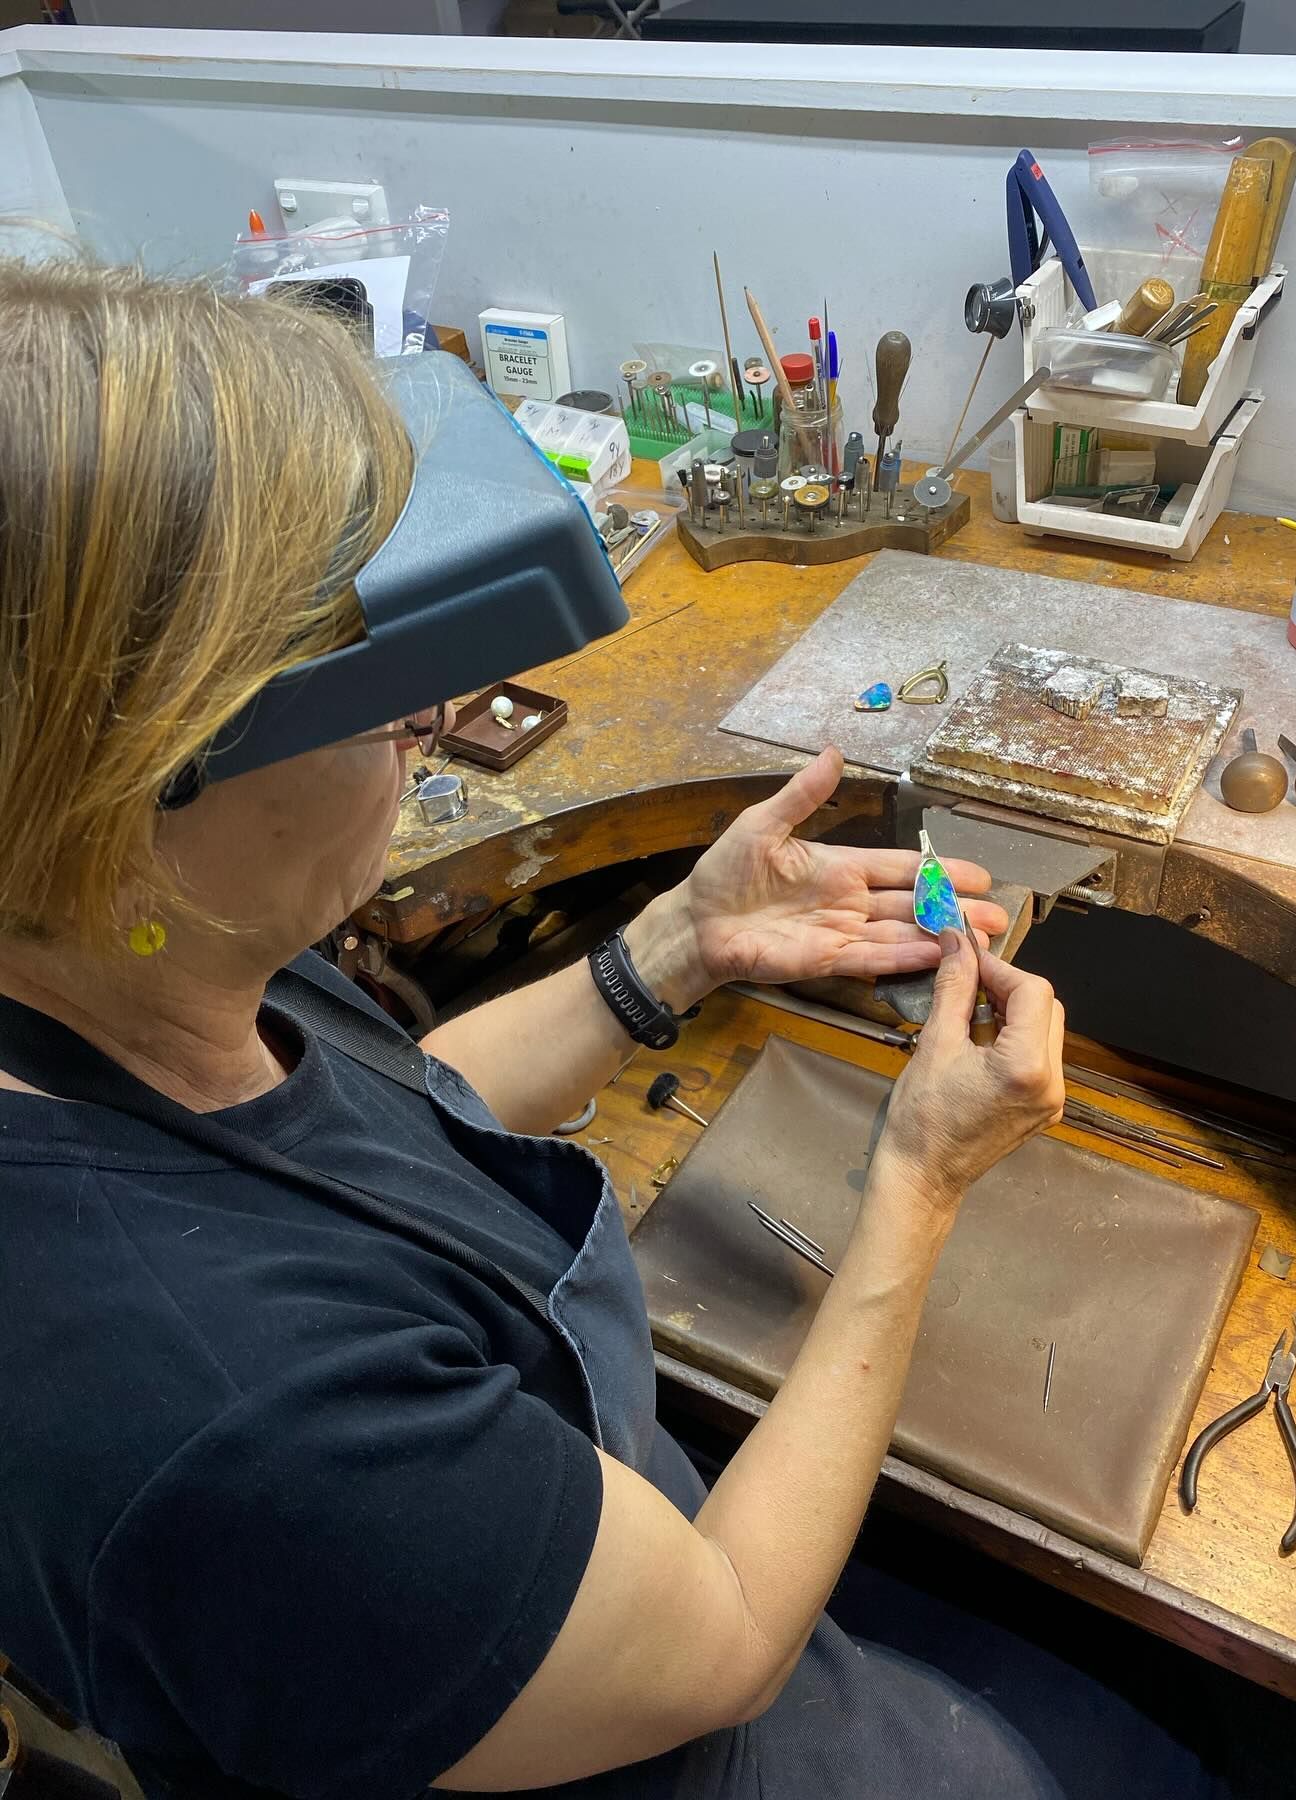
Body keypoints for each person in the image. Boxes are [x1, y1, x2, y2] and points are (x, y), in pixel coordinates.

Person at [0, 257, 1219, 1800]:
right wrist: (916, 1187)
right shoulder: (238, 1417)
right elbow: (721, 1642)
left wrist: (671, 953)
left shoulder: (108, 942)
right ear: (134, 785)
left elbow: (384, 1117)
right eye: (385, 707)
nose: (432, 728)